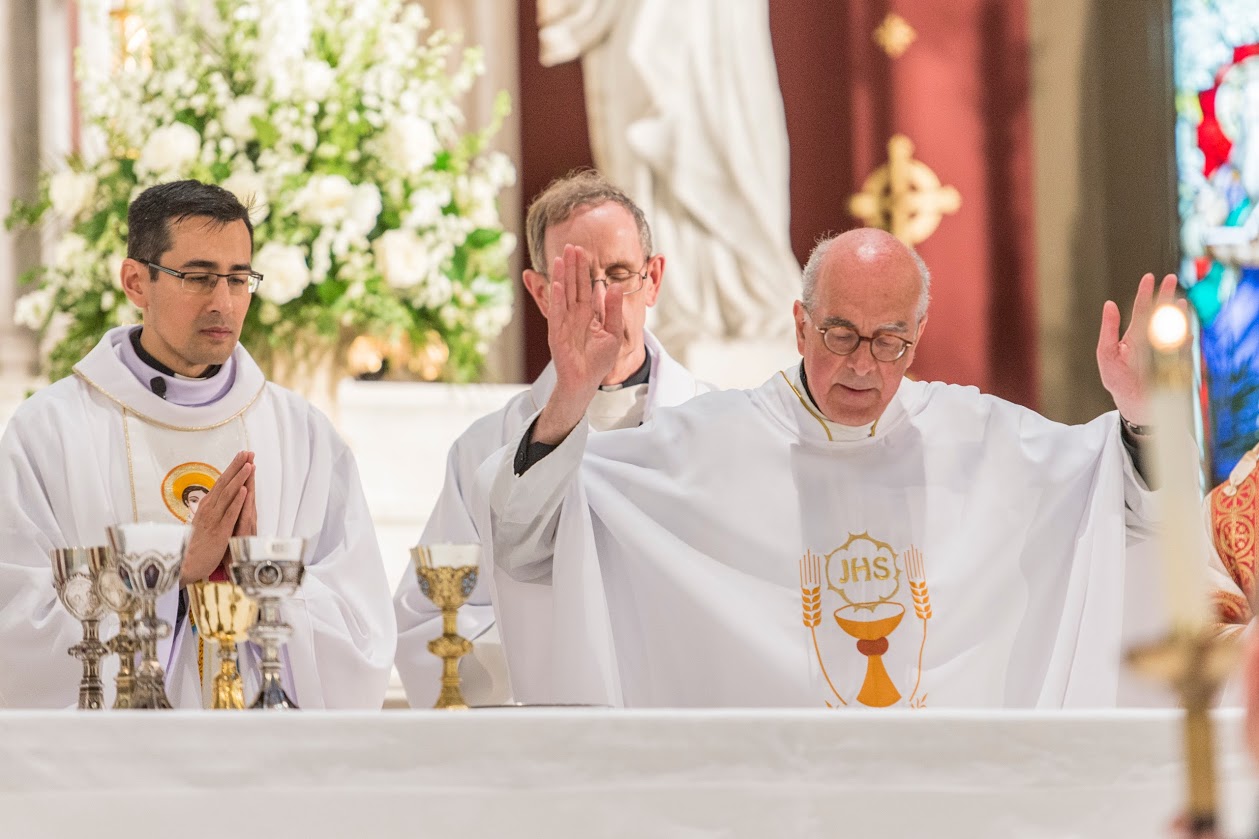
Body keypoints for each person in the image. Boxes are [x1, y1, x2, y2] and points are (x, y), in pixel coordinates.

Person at [483, 227, 1170, 708]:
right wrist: (571, 393)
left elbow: (1121, 501)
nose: (863, 364)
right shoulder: (703, 448)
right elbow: (530, 535)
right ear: (800, 324)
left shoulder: (979, 440)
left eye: (890, 340)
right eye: (840, 334)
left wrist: (1141, 419)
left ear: (917, 334)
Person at [0, 180, 395, 709]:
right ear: (136, 281)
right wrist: (175, 573)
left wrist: (258, 579)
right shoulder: (52, 431)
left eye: (238, 279)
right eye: (199, 277)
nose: (223, 302)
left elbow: (361, 628)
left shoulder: (300, 434)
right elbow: (17, 624)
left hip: (264, 761)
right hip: (115, 771)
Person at [392, 170, 711, 706]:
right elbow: (428, 621)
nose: (602, 301)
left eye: (619, 274)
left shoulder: (715, 427)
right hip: (550, 737)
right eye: (579, 283)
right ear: (541, 293)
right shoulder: (484, 450)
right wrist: (553, 655)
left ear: (653, 279)